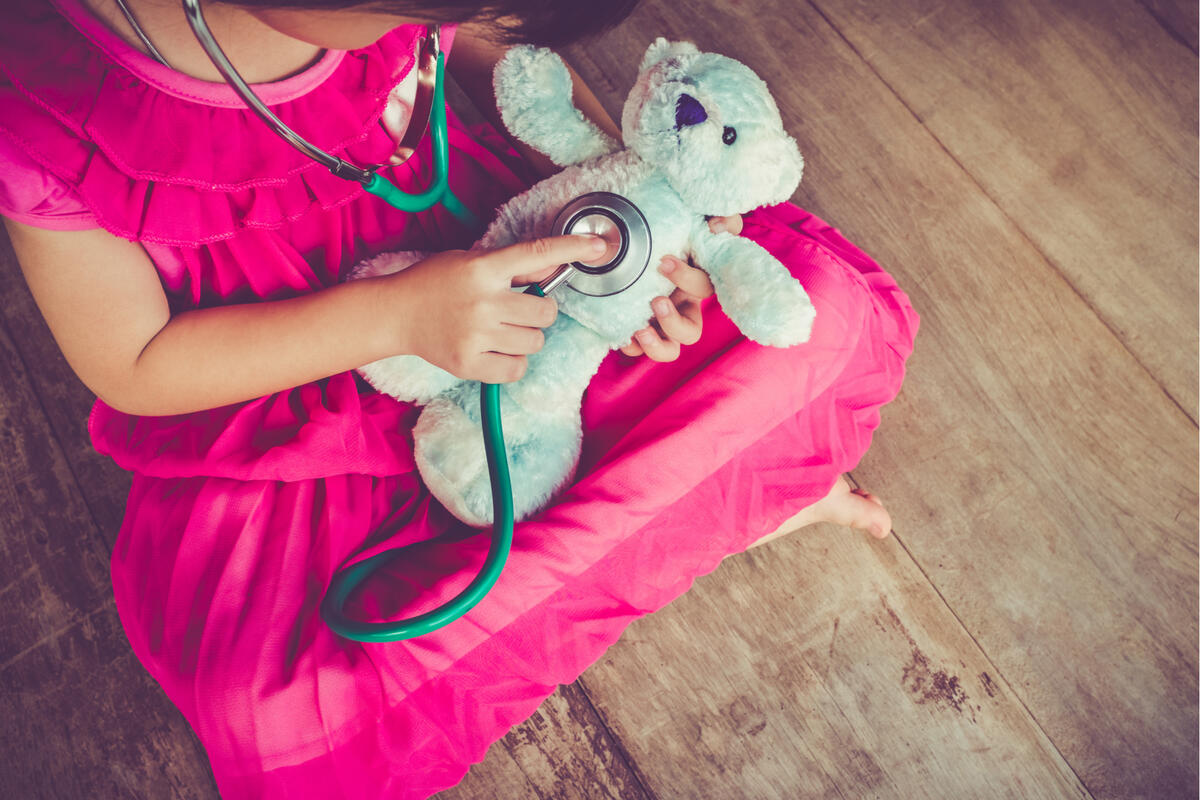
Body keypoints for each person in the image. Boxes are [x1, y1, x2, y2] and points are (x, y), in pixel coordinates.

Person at [0, 0, 918, 796]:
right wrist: (394, 318)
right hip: (289, 380)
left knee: (821, 322)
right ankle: (714, 510)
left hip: (516, 264)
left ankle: (718, 508)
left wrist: (642, 237)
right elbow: (134, 359)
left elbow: (496, 53)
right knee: (274, 707)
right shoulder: (42, 108)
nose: (423, 31)